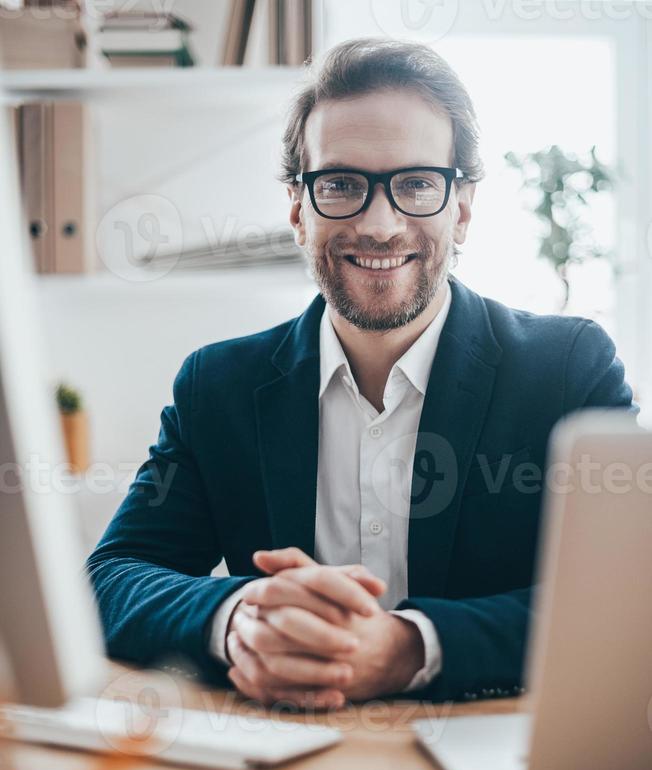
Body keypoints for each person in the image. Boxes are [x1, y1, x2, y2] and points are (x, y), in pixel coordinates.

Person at [87, 38, 635, 708]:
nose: (380, 225)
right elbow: (111, 577)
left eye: (415, 184)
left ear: (460, 209)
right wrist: (240, 618)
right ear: (297, 209)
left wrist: (410, 647)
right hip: (280, 766)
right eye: (341, 184)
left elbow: (626, 595)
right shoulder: (217, 388)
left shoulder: (568, 369)